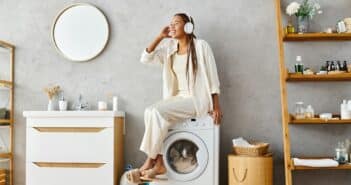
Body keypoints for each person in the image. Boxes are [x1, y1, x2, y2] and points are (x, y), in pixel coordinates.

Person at [126, 13, 222, 183]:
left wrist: (216, 106)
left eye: (176, 23)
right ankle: (160, 163)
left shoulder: (201, 46)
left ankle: (150, 161)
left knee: (156, 112)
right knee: (150, 112)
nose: (172, 26)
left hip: (196, 99)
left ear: (188, 27)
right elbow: (145, 58)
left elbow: (213, 77)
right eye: (171, 23)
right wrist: (160, 37)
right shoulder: (170, 49)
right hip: (177, 99)